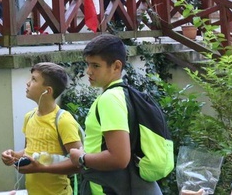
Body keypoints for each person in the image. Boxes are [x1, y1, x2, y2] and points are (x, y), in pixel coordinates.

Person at [67, 33, 162, 195]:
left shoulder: (109, 99)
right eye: (88, 64)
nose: (88, 71)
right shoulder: (125, 94)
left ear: (116, 66)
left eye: (96, 66)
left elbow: (119, 157)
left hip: (107, 189)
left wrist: (82, 159)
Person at [0, 62, 83, 195]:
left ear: (47, 90)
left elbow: (79, 163)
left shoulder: (63, 120)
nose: (27, 83)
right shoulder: (29, 117)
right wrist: (14, 156)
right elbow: (30, 151)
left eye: (34, 79)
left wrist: (41, 168)